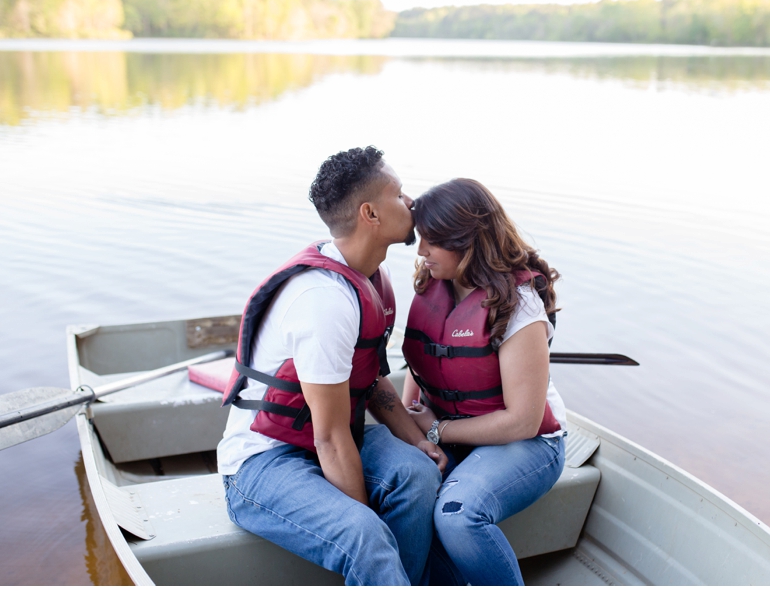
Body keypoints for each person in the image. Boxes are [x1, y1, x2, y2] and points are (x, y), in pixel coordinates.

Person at [218, 146, 446, 586]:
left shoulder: (372, 277)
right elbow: (328, 435)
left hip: (331, 438)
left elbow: (373, 380)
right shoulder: (323, 301)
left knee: (418, 475)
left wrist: (419, 440)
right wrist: (362, 517)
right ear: (370, 214)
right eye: (399, 195)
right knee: (364, 536)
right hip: (262, 462)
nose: (411, 202)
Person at [401, 178, 567, 586]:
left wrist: (438, 430)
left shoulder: (519, 303)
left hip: (525, 444)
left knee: (458, 515)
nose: (421, 251)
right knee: (404, 497)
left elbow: (523, 422)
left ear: (468, 240)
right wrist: (412, 427)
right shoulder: (433, 283)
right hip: (454, 435)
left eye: (432, 241)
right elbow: (420, 363)